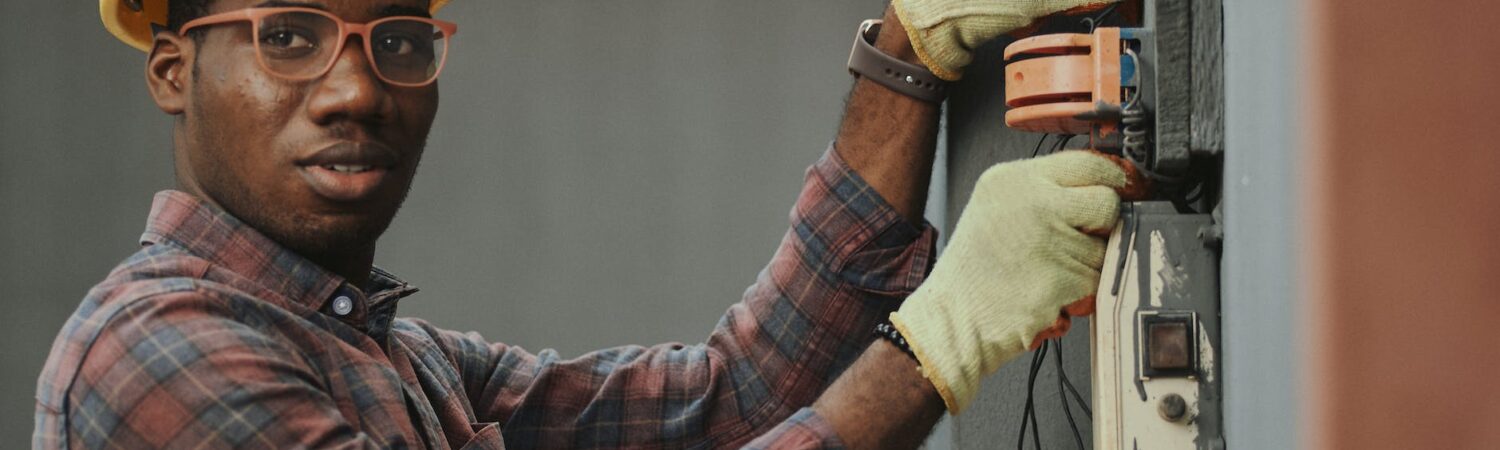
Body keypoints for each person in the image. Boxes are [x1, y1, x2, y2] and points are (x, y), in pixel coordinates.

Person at [35, 0, 1136, 448]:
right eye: (287, 36)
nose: (355, 90)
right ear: (174, 72)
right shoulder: (151, 353)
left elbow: (734, 401)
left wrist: (910, 49)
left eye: (399, 42)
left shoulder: (399, 363)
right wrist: (935, 349)